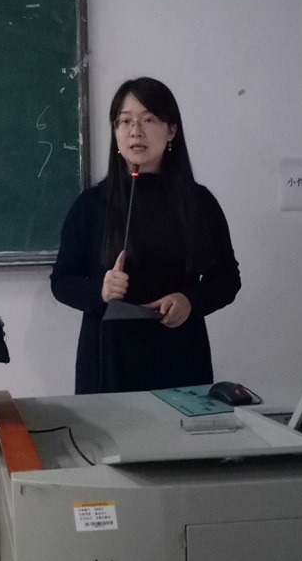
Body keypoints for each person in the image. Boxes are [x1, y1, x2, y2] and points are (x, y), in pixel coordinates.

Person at [50, 77, 241, 394]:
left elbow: (227, 279)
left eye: (148, 119)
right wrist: (100, 291)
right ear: (115, 132)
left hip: (180, 357)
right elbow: (62, 281)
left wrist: (190, 300)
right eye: (125, 121)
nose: (135, 131)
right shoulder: (92, 204)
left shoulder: (198, 203)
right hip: (109, 361)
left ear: (171, 130)